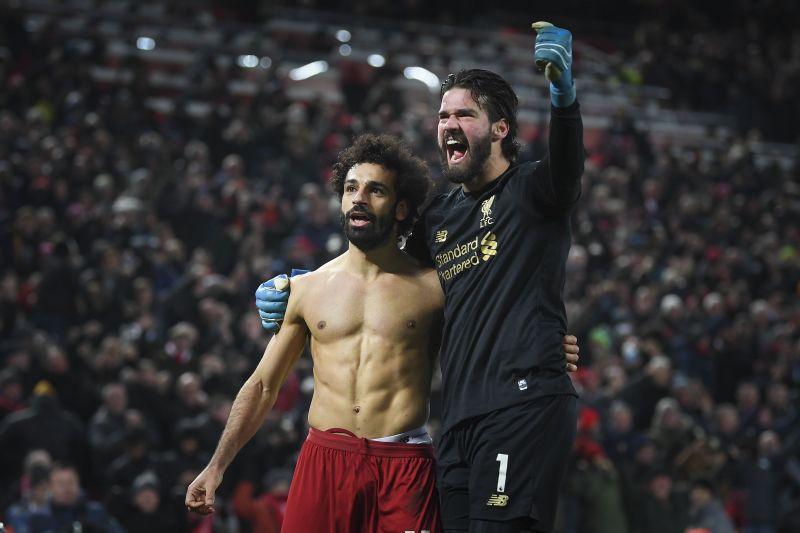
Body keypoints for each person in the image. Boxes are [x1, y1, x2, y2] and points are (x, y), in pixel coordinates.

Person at [256, 21, 585, 532]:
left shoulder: (532, 190)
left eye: (464, 114)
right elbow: (377, 263)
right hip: (457, 419)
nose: (449, 124)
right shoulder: (439, 215)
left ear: (500, 129)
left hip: (521, 405)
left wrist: (563, 96)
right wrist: (296, 284)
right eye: (443, 115)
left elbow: (567, 169)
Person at [188, 133, 579, 532]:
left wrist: (543, 344)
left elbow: (491, 327)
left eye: (375, 190)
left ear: (400, 207)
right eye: (351, 188)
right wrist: (215, 467)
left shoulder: (436, 287)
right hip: (325, 458)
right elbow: (262, 387)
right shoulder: (307, 289)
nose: (359, 198)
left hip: (405, 468)